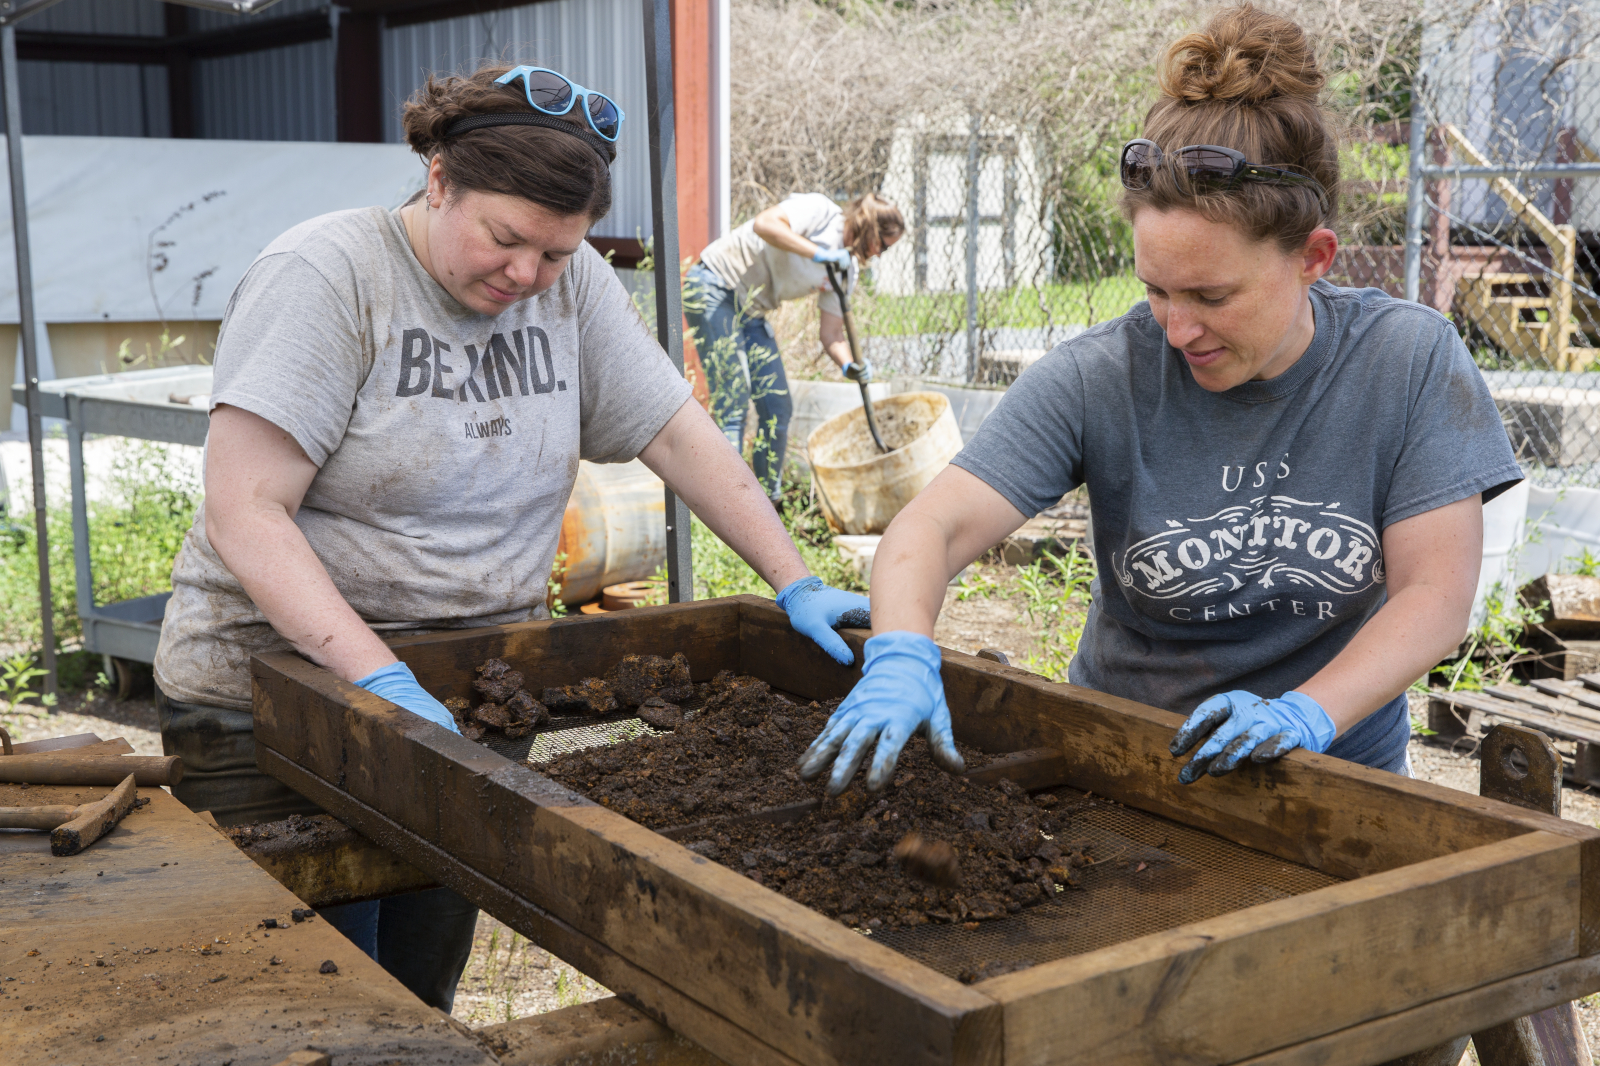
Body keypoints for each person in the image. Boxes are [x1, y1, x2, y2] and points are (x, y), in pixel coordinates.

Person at [151, 63, 868, 1011]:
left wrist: (793, 578)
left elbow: (677, 433)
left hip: (468, 696)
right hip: (269, 703)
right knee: (315, 1005)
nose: (526, 275)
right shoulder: (328, 277)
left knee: (415, 989)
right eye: (505, 239)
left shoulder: (567, 294)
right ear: (438, 179)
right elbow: (245, 508)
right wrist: (376, 677)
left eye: (558, 253)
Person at [797, 4, 1523, 795]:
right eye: (1156, 290)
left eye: (1211, 295)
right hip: (1129, 765)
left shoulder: (1404, 360)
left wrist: (1306, 714)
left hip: (1334, 772)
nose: (1178, 329)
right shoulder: (1099, 375)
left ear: (1313, 258)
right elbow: (928, 529)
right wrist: (903, 651)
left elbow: (1434, 597)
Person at [687, 192, 905, 504]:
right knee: (733, 400)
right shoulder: (821, 213)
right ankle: (726, 507)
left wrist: (849, 365)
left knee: (777, 407)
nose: (881, 254)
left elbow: (831, 334)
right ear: (871, 228)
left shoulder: (847, 272)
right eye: (883, 245)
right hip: (714, 283)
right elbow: (765, 224)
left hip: (752, 311)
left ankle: (767, 507)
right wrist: (819, 254)